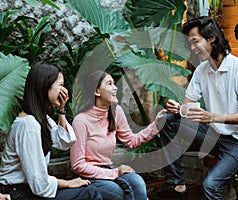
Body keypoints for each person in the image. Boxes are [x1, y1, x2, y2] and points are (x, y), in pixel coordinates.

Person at [147, 16, 238, 200]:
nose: (192, 48)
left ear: (212, 38)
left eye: (195, 41)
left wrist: (212, 117)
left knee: (210, 185)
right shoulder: (202, 70)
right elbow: (188, 107)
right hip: (216, 136)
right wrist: (178, 109)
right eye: (190, 43)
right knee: (166, 121)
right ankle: (176, 184)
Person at [0, 62, 102, 200]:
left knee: (88, 190)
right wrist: (67, 183)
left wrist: (61, 111)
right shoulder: (28, 125)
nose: (64, 90)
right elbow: (39, 183)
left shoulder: (40, 118)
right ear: (45, 87)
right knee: (90, 193)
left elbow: (65, 142)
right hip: (18, 192)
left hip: (29, 190)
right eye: (60, 85)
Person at [70, 69, 166, 200]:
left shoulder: (116, 111)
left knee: (137, 183)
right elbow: (77, 165)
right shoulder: (81, 121)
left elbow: (132, 141)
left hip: (109, 168)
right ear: (96, 91)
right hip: (89, 175)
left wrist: (155, 125)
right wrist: (114, 172)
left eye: (114, 83)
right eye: (109, 83)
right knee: (117, 193)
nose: (115, 88)